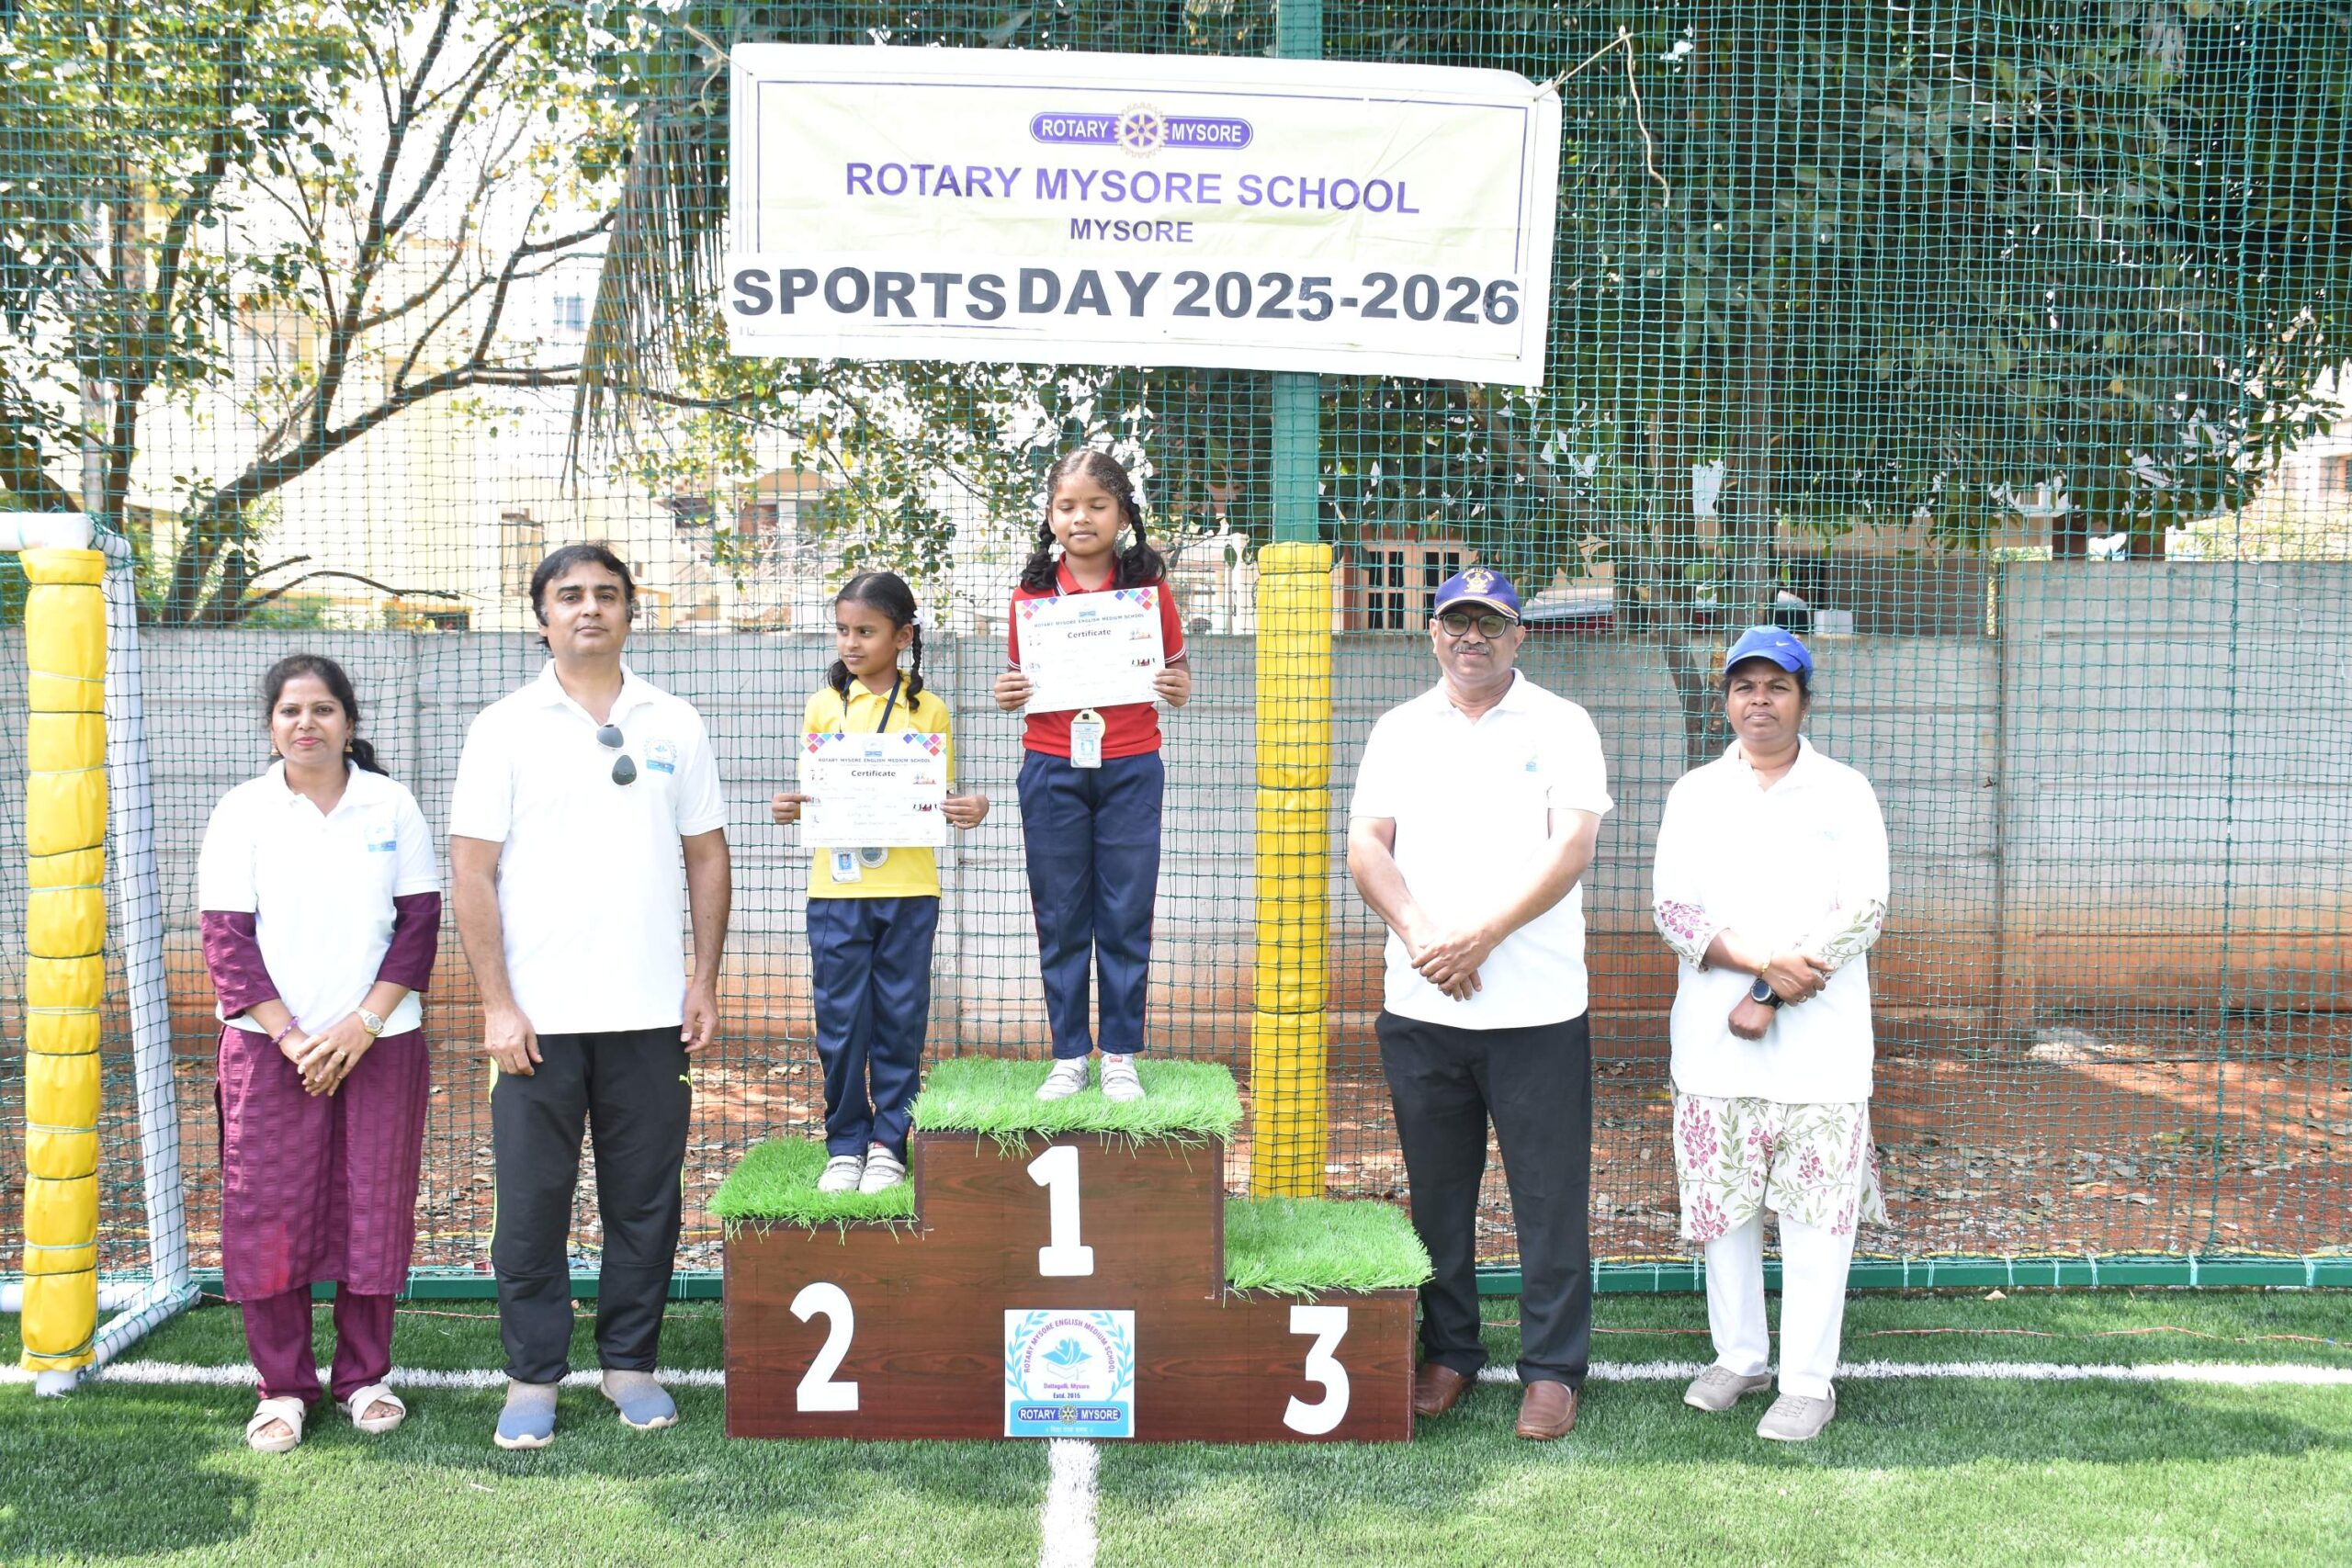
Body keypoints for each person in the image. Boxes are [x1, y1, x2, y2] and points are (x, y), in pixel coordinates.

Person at [449, 544, 732, 1450]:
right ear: (542, 617)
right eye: (569, 595)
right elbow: (470, 870)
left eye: (607, 594)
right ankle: (532, 1376)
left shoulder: (674, 721)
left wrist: (702, 979)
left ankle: (629, 1366)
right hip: (536, 1022)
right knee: (532, 1207)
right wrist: (498, 1004)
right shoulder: (503, 726)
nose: (589, 608)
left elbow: (707, 854)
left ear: (630, 612)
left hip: (650, 1015)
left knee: (644, 1205)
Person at [1345, 567, 1611, 1441]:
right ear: (1432, 632)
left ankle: (1554, 1369)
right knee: (1438, 1196)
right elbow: (1367, 847)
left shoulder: (1562, 724)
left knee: (1549, 1195)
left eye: (1490, 624)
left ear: (1518, 635)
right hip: (1423, 1007)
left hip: (1537, 1009)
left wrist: (1482, 938)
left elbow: (1571, 848)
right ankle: (1451, 1350)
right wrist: (1429, 938)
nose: (1472, 638)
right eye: (1456, 622)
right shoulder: (1398, 729)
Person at [1651, 625, 1890, 1442]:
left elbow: (1863, 913)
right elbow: (1673, 911)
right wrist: (1763, 967)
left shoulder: (1845, 792)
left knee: (1818, 1220)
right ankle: (1741, 1355)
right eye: (1745, 686)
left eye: (1777, 686)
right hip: (1713, 1049)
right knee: (1725, 1212)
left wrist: (1769, 993)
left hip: (1822, 1053)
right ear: (1726, 701)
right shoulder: (1695, 794)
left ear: (1804, 700)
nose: (1760, 700)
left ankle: (1807, 1381)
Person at [198, 654, 441, 1452]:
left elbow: (419, 925)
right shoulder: (242, 810)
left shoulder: (391, 804)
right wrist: (295, 1037)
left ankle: (365, 1378)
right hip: (271, 1049)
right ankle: (283, 1388)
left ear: (349, 721)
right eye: (291, 710)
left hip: (381, 1042)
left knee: (373, 1206)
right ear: (271, 725)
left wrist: (361, 1025)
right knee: (270, 1211)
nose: (307, 722)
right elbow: (227, 939)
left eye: (323, 708)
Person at [770, 572, 989, 1195]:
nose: (851, 643)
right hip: (836, 893)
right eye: (843, 630)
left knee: (900, 1020)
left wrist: (970, 807)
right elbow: (816, 797)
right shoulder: (823, 706)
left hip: (910, 891)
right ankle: (845, 1143)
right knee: (841, 1026)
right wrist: (791, 807)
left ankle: (889, 1142)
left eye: (865, 631)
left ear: (902, 636)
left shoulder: (930, 709)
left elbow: (937, 796)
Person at [992, 449, 1192, 1103]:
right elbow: (1018, 681)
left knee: (1126, 912)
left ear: (1123, 515)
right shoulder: (1031, 596)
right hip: (1052, 767)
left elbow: (1178, 674)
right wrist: (1007, 693)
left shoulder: (1149, 593)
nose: (1082, 517)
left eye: (1097, 505)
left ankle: (1121, 1054)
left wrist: (1177, 686)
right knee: (1060, 914)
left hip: (1131, 766)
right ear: (1051, 517)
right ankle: (1070, 1054)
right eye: (1067, 506)